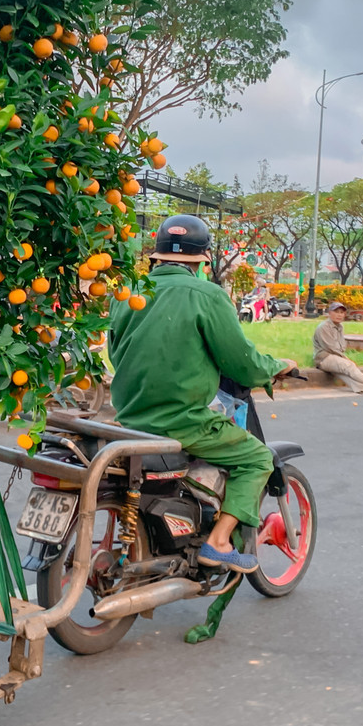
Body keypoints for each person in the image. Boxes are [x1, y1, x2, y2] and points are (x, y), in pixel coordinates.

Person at [109, 214, 296, 574]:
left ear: (156, 256)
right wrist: (276, 366)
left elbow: (117, 353)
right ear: (203, 260)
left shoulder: (127, 291)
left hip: (129, 416)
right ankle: (219, 542)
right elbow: (242, 362)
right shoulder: (207, 294)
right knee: (257, 458)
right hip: (182, 421)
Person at [312, 302, 363, 396]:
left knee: (346, 376)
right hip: (324, 358)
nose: (339, 315)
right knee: (349, 366)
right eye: (336, 312)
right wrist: (345, 358)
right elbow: (331, 348)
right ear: (329, 313)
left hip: (335, 357)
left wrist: (342, 356)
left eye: (341, 312)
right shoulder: (324, 327)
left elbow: (342, 345)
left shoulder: (340, 326)